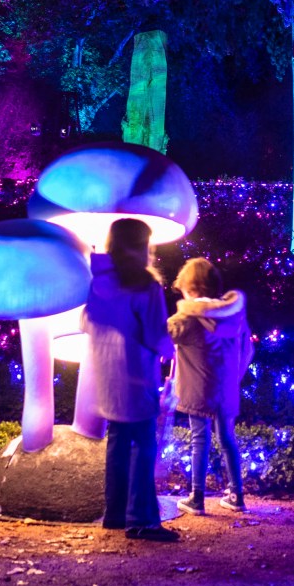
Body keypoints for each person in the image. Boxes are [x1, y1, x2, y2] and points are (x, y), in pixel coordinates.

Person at [83, 217, 176, 541]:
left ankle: (116, 514)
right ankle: (142, 520)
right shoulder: (145, 286)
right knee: (144, 445)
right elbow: (155, 334)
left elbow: (87, 322)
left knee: (119, 442)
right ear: (141, 246)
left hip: (106, 373)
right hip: (136, 375)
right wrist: (173, 349)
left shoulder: (97, 282)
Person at [168, 257, 254, 517]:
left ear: (190, 287)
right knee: (227, 438)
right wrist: (233, 377)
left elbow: (159, 337)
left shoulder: (186, 318)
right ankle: (236, 495)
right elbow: (248, 349)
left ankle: (197, 498)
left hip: (198, 387)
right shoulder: (235, 315)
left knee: (199, 438)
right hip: (226, 388)